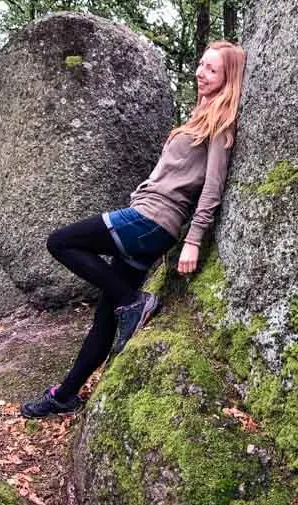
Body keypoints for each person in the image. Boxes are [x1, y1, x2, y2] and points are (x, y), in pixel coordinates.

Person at [20, 39, 246, 418]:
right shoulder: (200, 116)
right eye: (201, 65)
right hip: (147, 221)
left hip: (152, 220)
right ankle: (65, 396)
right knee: (105, 317)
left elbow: (213, 187)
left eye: (211, 69)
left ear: (228, 78)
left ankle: (136, 300)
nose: (200, 73)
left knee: (61, 242)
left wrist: (193, 241)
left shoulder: (221, 126)